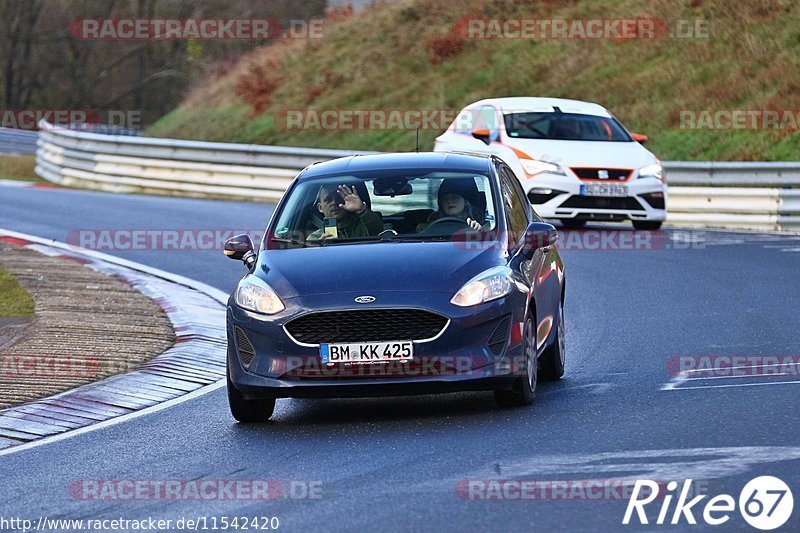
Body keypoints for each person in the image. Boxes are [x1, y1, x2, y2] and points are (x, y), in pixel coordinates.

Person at [307, 184, 383, 241]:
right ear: (320, 208)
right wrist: (320, 248)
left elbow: (379, 229)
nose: (334, 203)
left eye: (339, 198)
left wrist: (361, 210)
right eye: (328, 200)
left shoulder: (364, 226)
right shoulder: (315, 238)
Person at [416, 178, 484, 232]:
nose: (449, 201)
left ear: (466, 201)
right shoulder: (432, 221)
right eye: (445, 199)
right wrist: (424, 230)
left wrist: (479, 230)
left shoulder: (485, 220)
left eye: (454, 197)